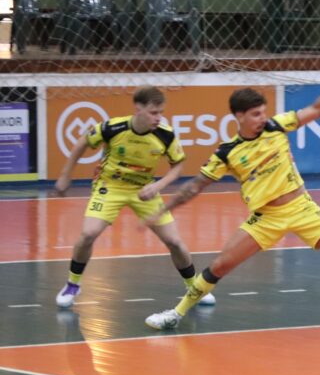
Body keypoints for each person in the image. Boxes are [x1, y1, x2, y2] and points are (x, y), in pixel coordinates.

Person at [144, 67, 320, 330]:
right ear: (239, 117)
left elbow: (317, 110)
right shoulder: (227, 152)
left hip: (302, 208)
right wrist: (166, 207)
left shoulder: (276, 125)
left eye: (263, 112)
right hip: (266, 218)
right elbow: (195, 186)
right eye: (256, 114)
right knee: (219, 266)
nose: (262, 118)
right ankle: (176, 313)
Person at [53, 86, 215, 308]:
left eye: (161, 112)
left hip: (144, 190)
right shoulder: (113, 127)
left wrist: (158, 185)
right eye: (153, 112)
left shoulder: (165, 135)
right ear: (138, 108)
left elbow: (178, 165)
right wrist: (65, 175)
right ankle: (73, 284)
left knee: (175, 242)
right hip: (110, 187)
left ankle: (194, 288)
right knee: (88, 234)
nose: (158, 118)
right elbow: (83, 143)